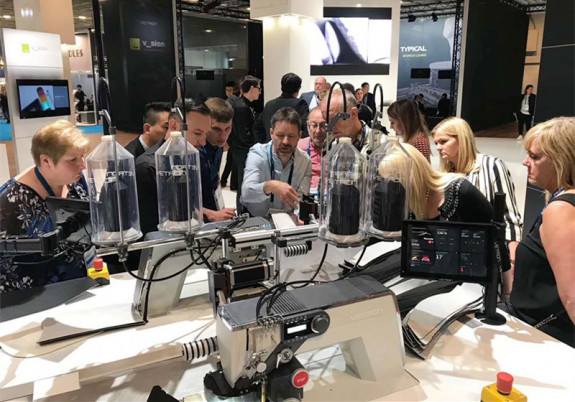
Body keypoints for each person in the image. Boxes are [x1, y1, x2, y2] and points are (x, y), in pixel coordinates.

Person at [0, 120, 90, 292]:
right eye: (73, 159)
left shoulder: (75, 179)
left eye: (82, 156)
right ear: (46, 161)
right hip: (31, 295)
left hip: (78, 282)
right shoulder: (12, 200)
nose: (82, 165)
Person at [509, 117, 575, 347]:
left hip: (541, 335)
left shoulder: (560, 209)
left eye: (535, 157)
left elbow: (572, 298)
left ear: (562, 160)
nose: (525, 162)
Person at [432, 116, 523, 281]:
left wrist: (511, 263)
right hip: (454, 257)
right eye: (436, 143)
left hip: (487, 254)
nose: (438, 148)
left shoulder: (491, 166)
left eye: (443, 141)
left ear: (462, 139)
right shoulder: (444, 175)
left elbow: (510, 218)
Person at [135, 99, 211, 236]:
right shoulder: (147, 168)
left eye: (206, 134)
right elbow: (150, 232)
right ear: (174, 125)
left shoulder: (193, 160)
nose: (203, 142)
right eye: (198, 133)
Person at [379, 142, 493, 223]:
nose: (390, 187)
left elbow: (494, 229)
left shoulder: (461, 190)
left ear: (411, 177)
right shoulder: (410, 200)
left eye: (394, 181)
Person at [241, 107, 311, 217]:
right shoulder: (257, 154)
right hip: (256, 219)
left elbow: (301, 197)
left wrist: (297, 215)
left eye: (291, 136)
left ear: (299, 135)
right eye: (280, 135)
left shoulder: (305, 161)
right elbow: (246, 193)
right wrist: (270, 186)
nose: (285, 141)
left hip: (288, 220)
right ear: (271, 133)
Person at [227, 75, 261, 210]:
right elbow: (243, 134)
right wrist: (255, 146)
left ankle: (243, 210)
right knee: (244, 182)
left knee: (244, 181)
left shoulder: (242, 105)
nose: (260, 92)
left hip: (240, 149)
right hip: (243, 150)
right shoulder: (242, 107)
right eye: (259, 88)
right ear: (252, 88)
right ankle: (242, 211)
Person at [201, 98, 236, 222]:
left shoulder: (219, 146)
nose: (223, 136)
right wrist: (211, 214)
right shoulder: (194, 150)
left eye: (227, 129)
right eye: (216, 129)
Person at [253, 73, 309, 143]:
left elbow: (257, 128)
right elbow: (306, 129)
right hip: (290, 146)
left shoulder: (269, 104)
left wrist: (266, 143)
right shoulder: (300, 104)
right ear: (299, 88)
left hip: (271, 146)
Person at [321, 88, 369, 153]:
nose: (330, 128)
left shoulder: (378, 145)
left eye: (334, 120)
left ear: (353, 113)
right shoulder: (328, 144)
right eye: (326, 122)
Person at [388, 98, 431, 162]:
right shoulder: (415, 140)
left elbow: (421, 168)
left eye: (392, 122)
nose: (391, 127)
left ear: (404, 121)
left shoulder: (418, 142)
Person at [297, 107, 326, 189]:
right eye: (314, 125)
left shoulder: (337, 149)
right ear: (308, 126)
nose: (318, 131)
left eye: (323, 126)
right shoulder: (297, 147)